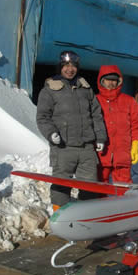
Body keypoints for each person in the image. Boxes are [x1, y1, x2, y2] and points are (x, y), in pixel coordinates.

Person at [36, 50, 107, 211]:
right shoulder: (50, 89)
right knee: (61, 185)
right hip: (63, 147)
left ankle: (86, 220)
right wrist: (50, 132)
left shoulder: (85, 88)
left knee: (89, 187)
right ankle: (60, 219)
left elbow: (96, 114)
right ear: (60, 67)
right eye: (66, 65)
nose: (70, 69)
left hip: (86, 148)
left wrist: (100, 137)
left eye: (73, 65)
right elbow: (42, 117)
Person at [96, 65, 138, 188]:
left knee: (124, 189)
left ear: (119, 81)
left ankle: (125, 207)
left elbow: (136, 124)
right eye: (107, 80)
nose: (111, 83)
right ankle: (102, 207)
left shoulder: (129, 101)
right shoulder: (95, 100)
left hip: (122, 154)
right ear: (101, 81)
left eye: (114, 80)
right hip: (101, 154)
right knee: (100, 187)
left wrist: (135, 144)